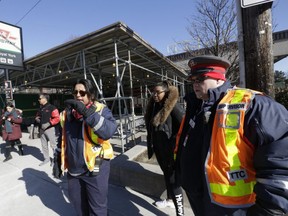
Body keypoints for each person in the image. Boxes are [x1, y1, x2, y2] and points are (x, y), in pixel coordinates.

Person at [175, 55, 288, 216]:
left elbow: (280, 162)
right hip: (199, 198)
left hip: (235, 208)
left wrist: (271, 209)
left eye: (200, 78)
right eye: (192, 80)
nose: (195, 84)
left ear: (219, 78)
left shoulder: (254, 105)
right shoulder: (196, 107)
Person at [52, 79, 117, 216]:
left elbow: (109, 131)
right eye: (75, 92)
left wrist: (87, 114)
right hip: (74, 170)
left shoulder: (100, 110)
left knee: (97, 208)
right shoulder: (66, 114)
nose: (78, 95)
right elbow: (61, 138)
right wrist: (57, 158)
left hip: (96, 165)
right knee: (78, 206)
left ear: (91, 94)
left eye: (82, 92)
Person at [144, 80, 185, 215]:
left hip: (170, 150)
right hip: (160, 148)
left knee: (173, 180)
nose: (154, 95)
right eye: (153, 92)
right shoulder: (156, 106)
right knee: (167, 175)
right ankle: (170, 200)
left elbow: (185, 127)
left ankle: (180, 210)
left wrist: (175, 143)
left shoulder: (173, 107)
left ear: (166, 92)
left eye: (158, 92)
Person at [35, 93, 60, 166]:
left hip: (50, 129)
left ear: (45, 99)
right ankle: (46, 159)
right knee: (44, 145)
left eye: (40, 98)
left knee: (53, 146)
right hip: (42, 130)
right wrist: (37, 119)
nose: (38, 100)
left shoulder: (52, 108)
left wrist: (49, 123)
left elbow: (57, 118)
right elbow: (37, 116)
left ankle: (55, 160)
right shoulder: (40, 108)